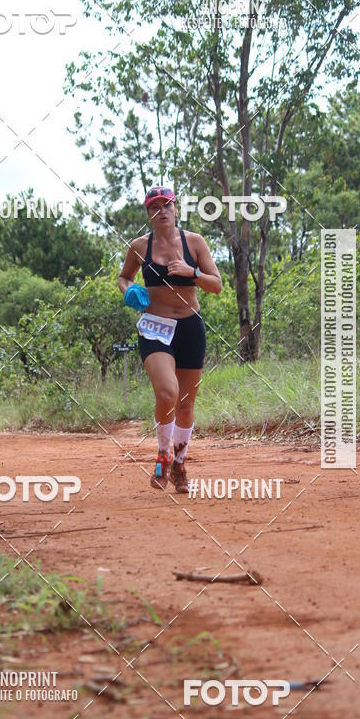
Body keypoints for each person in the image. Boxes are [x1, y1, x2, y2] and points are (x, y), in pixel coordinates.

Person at [118, 185, 222, 492]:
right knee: (167, 394)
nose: (161, 211)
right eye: (154, 207)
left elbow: (216, 284)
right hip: (155, 327)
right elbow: (125, 277)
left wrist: (191, 272)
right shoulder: (139, 246)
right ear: (148, 214)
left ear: (176, 209)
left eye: (167, 205)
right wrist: (129, 291)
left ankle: (179, 464)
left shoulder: (195, 242)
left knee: (187, 405)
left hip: (190, 326)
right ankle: (162, 454)